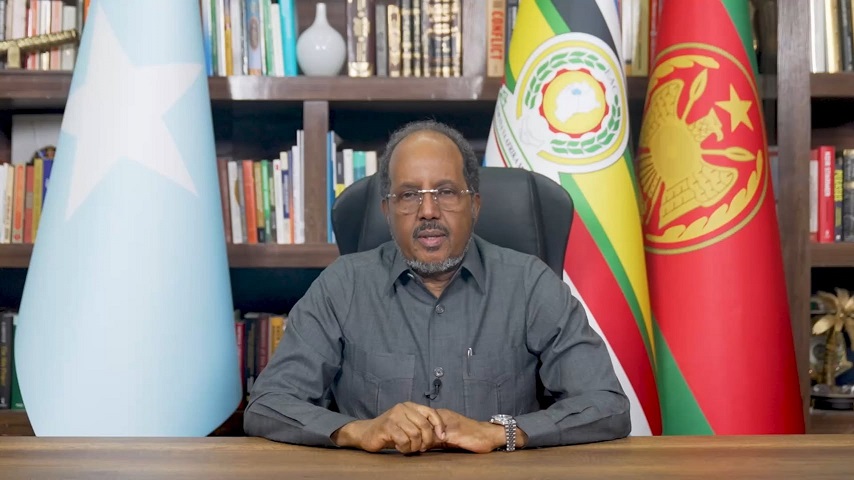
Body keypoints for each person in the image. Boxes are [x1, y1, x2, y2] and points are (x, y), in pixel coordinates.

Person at [243, 120, 630, 454]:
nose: (428, 211)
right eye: (409, 195)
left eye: (446, 192)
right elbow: (268, 404)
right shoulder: (342, 286)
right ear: (387, 210)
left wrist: (502, 432)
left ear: (475, 205)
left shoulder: (530, 283)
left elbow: (607, 405)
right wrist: (359, 431)